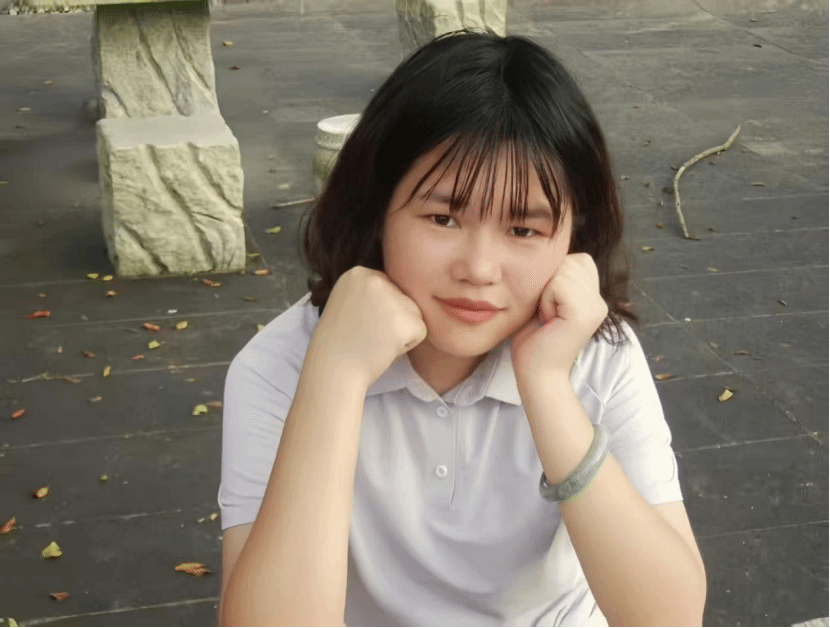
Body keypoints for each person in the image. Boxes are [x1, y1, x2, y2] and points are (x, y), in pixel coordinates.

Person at [218, 29, 707, 627]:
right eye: (443, 218)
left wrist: (547, 385)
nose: (478, 269)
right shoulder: (283, 363)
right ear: (377, 210)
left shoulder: (598, 354)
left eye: (523, 230)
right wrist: (337, 376)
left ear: (573, 241)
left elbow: (669, 617)